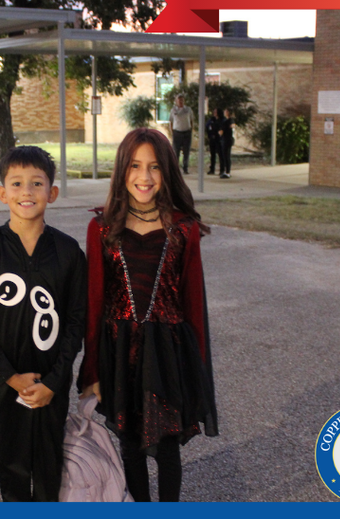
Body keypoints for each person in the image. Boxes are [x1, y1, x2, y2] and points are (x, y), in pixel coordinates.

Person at [79, 128, 217, 501]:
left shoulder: (183, 229)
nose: (144, 177)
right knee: (130, 446)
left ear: (167, 171)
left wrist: (197, 372)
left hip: (168, 356)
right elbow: (94, 304)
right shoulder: (102, 228)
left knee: (167, 448)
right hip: (120, 353)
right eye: (136, 166)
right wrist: (91, 371)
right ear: (123, 171)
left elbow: (194, 306)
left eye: (154, 167)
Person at [0, 146, 86, 501]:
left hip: (52, 383)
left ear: (53, 192)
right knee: (13, 466)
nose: (27, 192)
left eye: (37, 183)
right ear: (3, 193)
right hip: (5, 385)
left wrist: (55, 379)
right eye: (16, 184)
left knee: (49, 468)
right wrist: (10, 377)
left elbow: (76, 322)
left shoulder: (67, 251)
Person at [169, 93, 194, 174]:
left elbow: (191, 121)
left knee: (186, 151)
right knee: (176, 152)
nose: (181, 102)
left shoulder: (188, 110)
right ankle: (176, 169)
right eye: (179, 100)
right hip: (177, 133)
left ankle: (185, 168)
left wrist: (191, 130)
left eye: (182, 100)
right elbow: (171, 122)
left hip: (186, 132)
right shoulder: (173, 110)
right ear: (176, 101)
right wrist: (172, 132)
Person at [218, 108, 234, 180]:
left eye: (226, 111)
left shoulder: (228, 121)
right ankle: (226, 171)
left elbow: (222, 130)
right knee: (226, 156)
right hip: (227, 139)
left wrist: (220, 133)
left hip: (226, 139)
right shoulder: (228, 121)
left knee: (226, 156)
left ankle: (227, 172)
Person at [206, 106, 221, 175]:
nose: (214, 113)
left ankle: (222, 169)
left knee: (220, 154)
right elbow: (207, 126)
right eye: (214, 112)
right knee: (212, 155)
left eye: (216, 112)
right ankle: (212, 169)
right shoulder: (212, 119)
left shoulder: (221, 120)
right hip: (212, 139)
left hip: (218, 139)